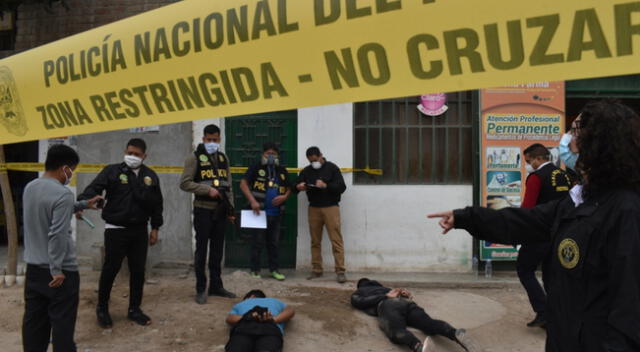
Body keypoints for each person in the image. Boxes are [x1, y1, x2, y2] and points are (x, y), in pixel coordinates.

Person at [429, 100, 640, 351]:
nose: (568, 140)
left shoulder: (627, 209)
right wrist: (465, 217)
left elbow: (629, 305)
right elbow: (524, 221)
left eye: (574, 132)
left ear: (599, 142)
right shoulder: (579, 199)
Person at [22, 144, 102, 351]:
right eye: (72, 171)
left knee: (34, 325)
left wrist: (84, 204)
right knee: (63, 327)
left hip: (33, 270)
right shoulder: (63, 194)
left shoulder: (30, 187)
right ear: (65, 168)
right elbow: (56, 234)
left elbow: (46, 211)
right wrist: (56, 269)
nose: (71, 175)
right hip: (60, 273)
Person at [78, 138, 163, 328]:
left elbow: (157, 205)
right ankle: (102, 308)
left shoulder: (150, 176)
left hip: (140, 230)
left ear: (144, 156)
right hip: (116, 229)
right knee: (111, 269)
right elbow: (93, 188)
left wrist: (155, 228)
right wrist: (83, 202)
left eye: (137, 154)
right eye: (129, 153)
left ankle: (134, 309)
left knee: (138, 271)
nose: (132, 157)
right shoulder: (112, 171)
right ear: (125, 152)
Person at [180, 124, 236, 304]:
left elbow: (229, 186)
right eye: (209, 139)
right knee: (202, 251)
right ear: (203, 139)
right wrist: (206, 190)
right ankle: (200, 288)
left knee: (217, 251)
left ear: (219, 139)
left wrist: (231, 209)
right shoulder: (194, 157)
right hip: (203, 209)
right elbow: (185, 183)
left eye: (215, 139)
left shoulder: (223, 157)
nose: (212, 142)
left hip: (220, 211)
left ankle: (216, 286)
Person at [518, 143, 571, 328]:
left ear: (538, 158)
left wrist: (519, 232)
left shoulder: (536, 177)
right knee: (550, 274)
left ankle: (543, 312)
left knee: (524, 269)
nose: (528, 164)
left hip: (538, 233)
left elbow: (527, 209)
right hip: (560, 233)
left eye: (528, 160)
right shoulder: (563, 175)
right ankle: (558, 313)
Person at [351, 278, 474, 352]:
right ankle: (454, 333)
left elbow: (359, 302)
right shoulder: (386, 288)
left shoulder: (360, 291)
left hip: (387, 305)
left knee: (396, 331)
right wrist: (404, 294)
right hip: (406, 303)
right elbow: (397, 295)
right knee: (429, 324)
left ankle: (418, 347)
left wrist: (385, 296)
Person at [239, 142, 291, 281]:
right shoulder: (256, 167)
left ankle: (274, 270)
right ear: (263, 154)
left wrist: (284, 196)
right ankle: (255, 270)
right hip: (258, 213)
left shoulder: (282, 170)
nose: (271, 156)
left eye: (274, 154)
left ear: (278, 156)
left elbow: (289, 187)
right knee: (257, 243)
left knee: (273, 244)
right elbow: (243, 184)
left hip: (276, 213)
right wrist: (252, 201)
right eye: (268, 153)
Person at [296, 146, 347, 283]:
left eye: (316, 159)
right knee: (315, 241)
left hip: (331, 207)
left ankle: (340, 271)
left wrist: (326, 186)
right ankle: (317, 270)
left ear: (321, 155)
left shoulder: (332, 168)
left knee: (336, 240)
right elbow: (296, 185)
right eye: (311, 161)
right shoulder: (306, 171)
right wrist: (299, 186)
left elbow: (342, 187)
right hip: (314, 208)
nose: (314, 163)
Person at [225, 289, 295, 352]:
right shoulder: (274, 301)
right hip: (270, 328)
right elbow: (290, 310)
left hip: (245, 327)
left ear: (251, 296)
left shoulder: (240, 304)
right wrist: (274, 319)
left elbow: (230, 318)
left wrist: (249, 317)